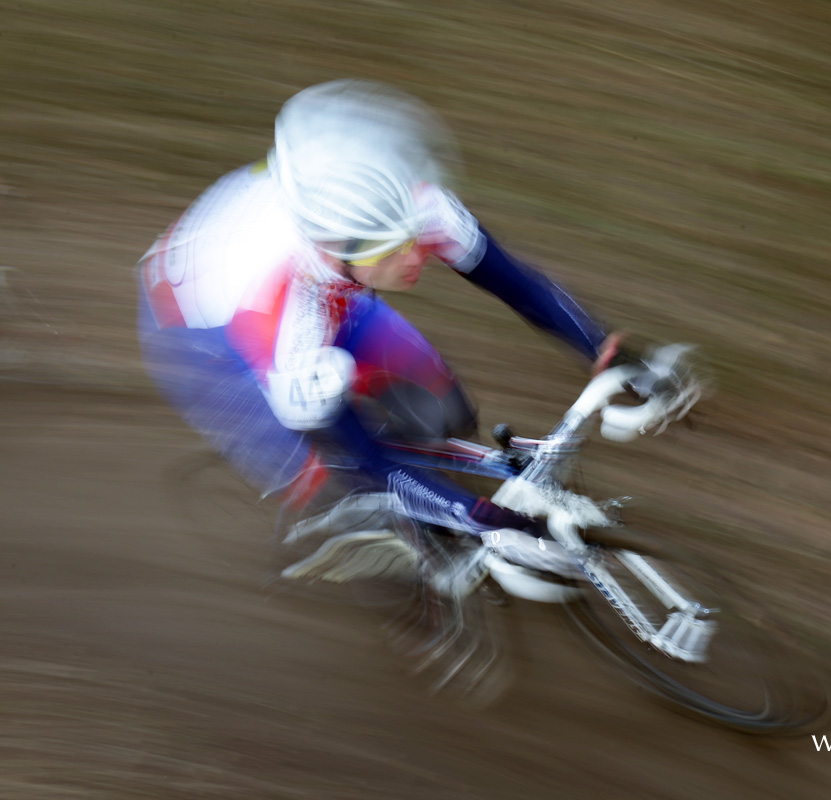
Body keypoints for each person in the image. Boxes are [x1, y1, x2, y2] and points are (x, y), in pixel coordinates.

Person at [138, 79, 685, 587]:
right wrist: (481, 518)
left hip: (313, 287)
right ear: (337, 251)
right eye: (387, 252)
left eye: (413, 238)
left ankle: (439, 513)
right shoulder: (286, 322)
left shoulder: (402, 208)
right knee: (337, 472)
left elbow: (518, 284)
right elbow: (365, 463)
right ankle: (379, 554)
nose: (412, 258)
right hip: (213, 336)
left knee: (444, 407)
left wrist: (602, 347)